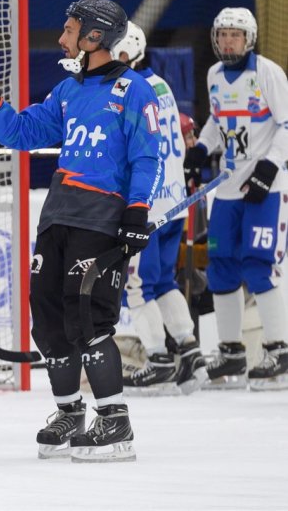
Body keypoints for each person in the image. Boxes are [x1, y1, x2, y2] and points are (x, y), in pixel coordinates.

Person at [0, 0, 162, 463]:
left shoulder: (134, 90)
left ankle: (114, 422)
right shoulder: (68, 91)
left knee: (87, 318)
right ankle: (70, 412)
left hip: (102, 218)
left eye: (70, 29)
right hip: (58, 216)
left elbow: (145, 156)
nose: (62, 36)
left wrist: (135, 214)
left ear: (95, 37)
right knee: (48, 320)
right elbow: (23, 133)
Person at [183, 7, 288, 391]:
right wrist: (199, 151)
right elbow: (217, 121)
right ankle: (231, 351)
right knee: (222, 266)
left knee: (258, 266)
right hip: (225, 189)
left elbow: (287, 124)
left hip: (264, 188)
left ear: (249, 39)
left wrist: (270, 166)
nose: (228, 41)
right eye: (223, 34)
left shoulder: (267, 73)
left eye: (235, 35)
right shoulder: (213, 75)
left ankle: (280, 350)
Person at [111, 21, 207, 395]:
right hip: (174, 200)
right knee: (163, 280)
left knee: (136, 286)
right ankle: (189, 349)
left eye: (116, 52)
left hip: (149, 205)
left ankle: (159, 360)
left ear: (131, 51)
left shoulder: (131, 89)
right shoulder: (161, 83)